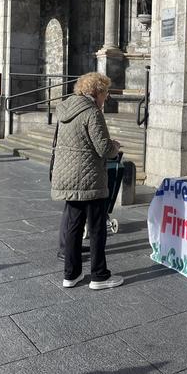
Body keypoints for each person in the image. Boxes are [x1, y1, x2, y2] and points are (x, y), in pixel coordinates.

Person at [51, 72, 123, 290]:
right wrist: (115, 146)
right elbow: (103, 148)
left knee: (73, 226)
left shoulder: (65, 109)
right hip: (89, 178)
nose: (106, 98)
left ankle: (70, 274)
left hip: (67, 175)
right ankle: (99, 276)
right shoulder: (92, 112)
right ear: (97, 92)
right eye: (105, 93)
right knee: (97, 228)